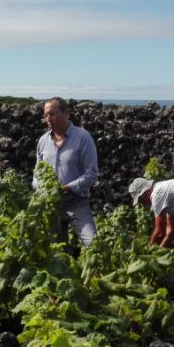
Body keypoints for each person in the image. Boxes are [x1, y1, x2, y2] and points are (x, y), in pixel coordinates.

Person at [33, 97, 99, 246]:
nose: (48, 119)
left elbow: (92, 174)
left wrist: (69, 187)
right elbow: (37, 173)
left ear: (66, 114)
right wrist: (39, 187)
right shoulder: (43, 141)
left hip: (77, 203)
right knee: (56, 251)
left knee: (93, 244)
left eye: (52, 114)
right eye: (46, 115)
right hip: (51, 207)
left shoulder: (83, 138)